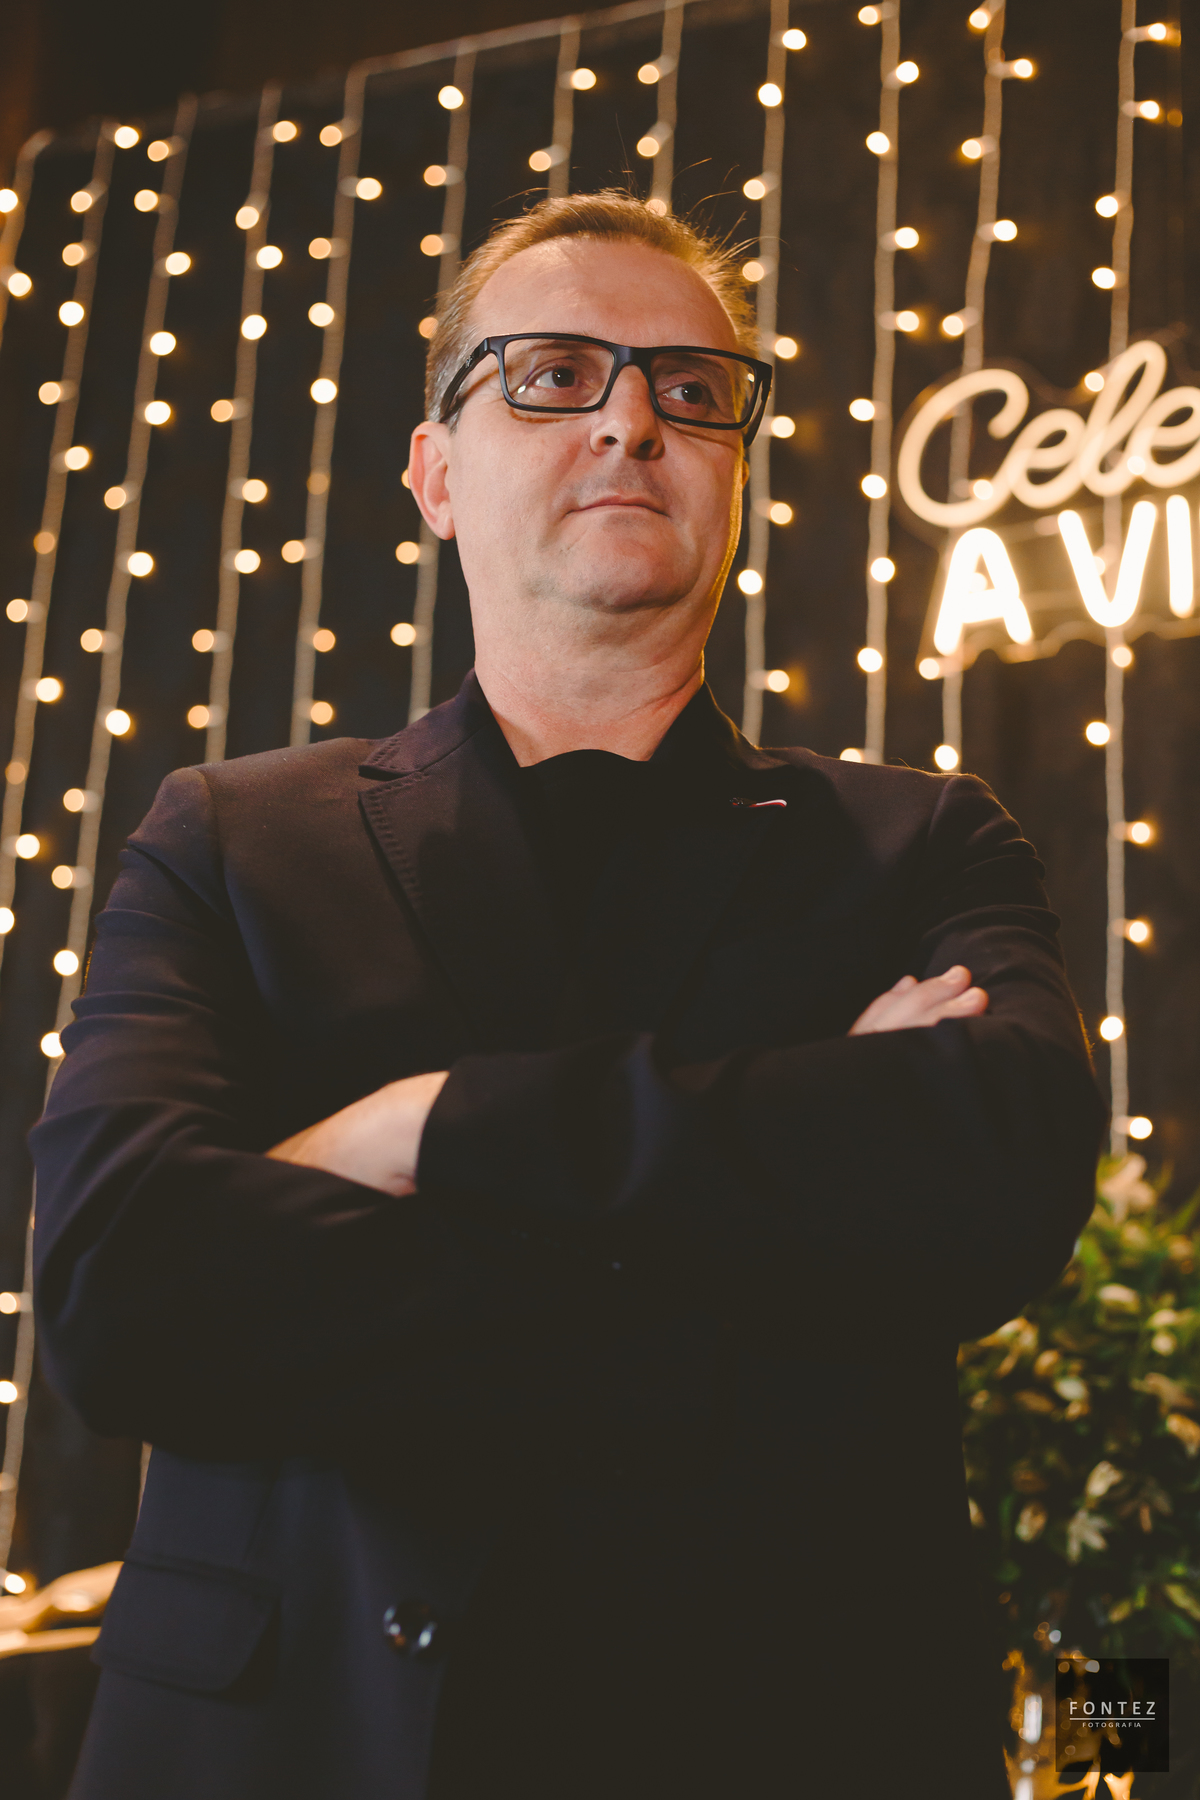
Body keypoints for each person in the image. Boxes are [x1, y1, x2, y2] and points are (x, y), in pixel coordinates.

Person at [31, 192, 1104, 1799]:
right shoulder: (231, 835)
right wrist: (776, 1197)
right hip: (298, 1746)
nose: (630, 420)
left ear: (734, 473)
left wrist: (420, 1129)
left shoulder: (922, 842)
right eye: (551, 375)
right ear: (434, 475)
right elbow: (125, 1296)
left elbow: (998, 1172)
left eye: (692, 387)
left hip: (782, 1740)